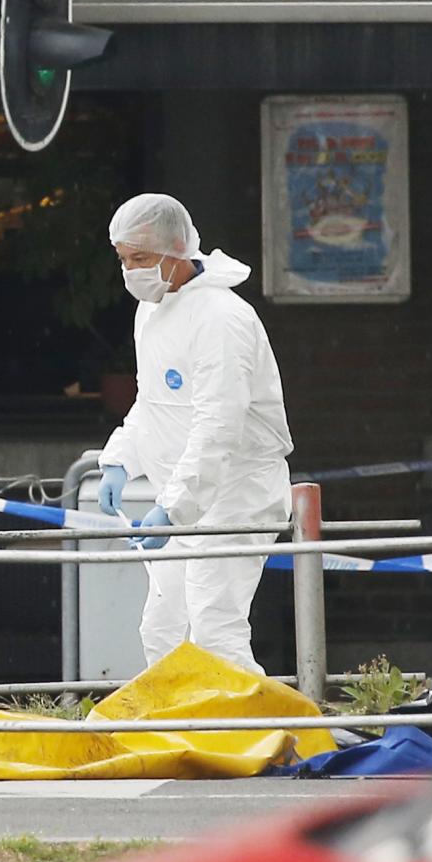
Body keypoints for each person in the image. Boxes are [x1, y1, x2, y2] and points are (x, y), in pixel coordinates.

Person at [91, 193, 295, 675]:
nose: (130, 271)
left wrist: (174, 507)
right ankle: (182, 735)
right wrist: (119, 457)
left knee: (213, 627)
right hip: (185, 500)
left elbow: (218, 426)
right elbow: (155, 402)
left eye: (140, 258)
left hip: (236, 495)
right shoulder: (155, 309)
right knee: (162, 628)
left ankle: (255, 740)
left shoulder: (222, 319)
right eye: (124, 259)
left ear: (177, 248)